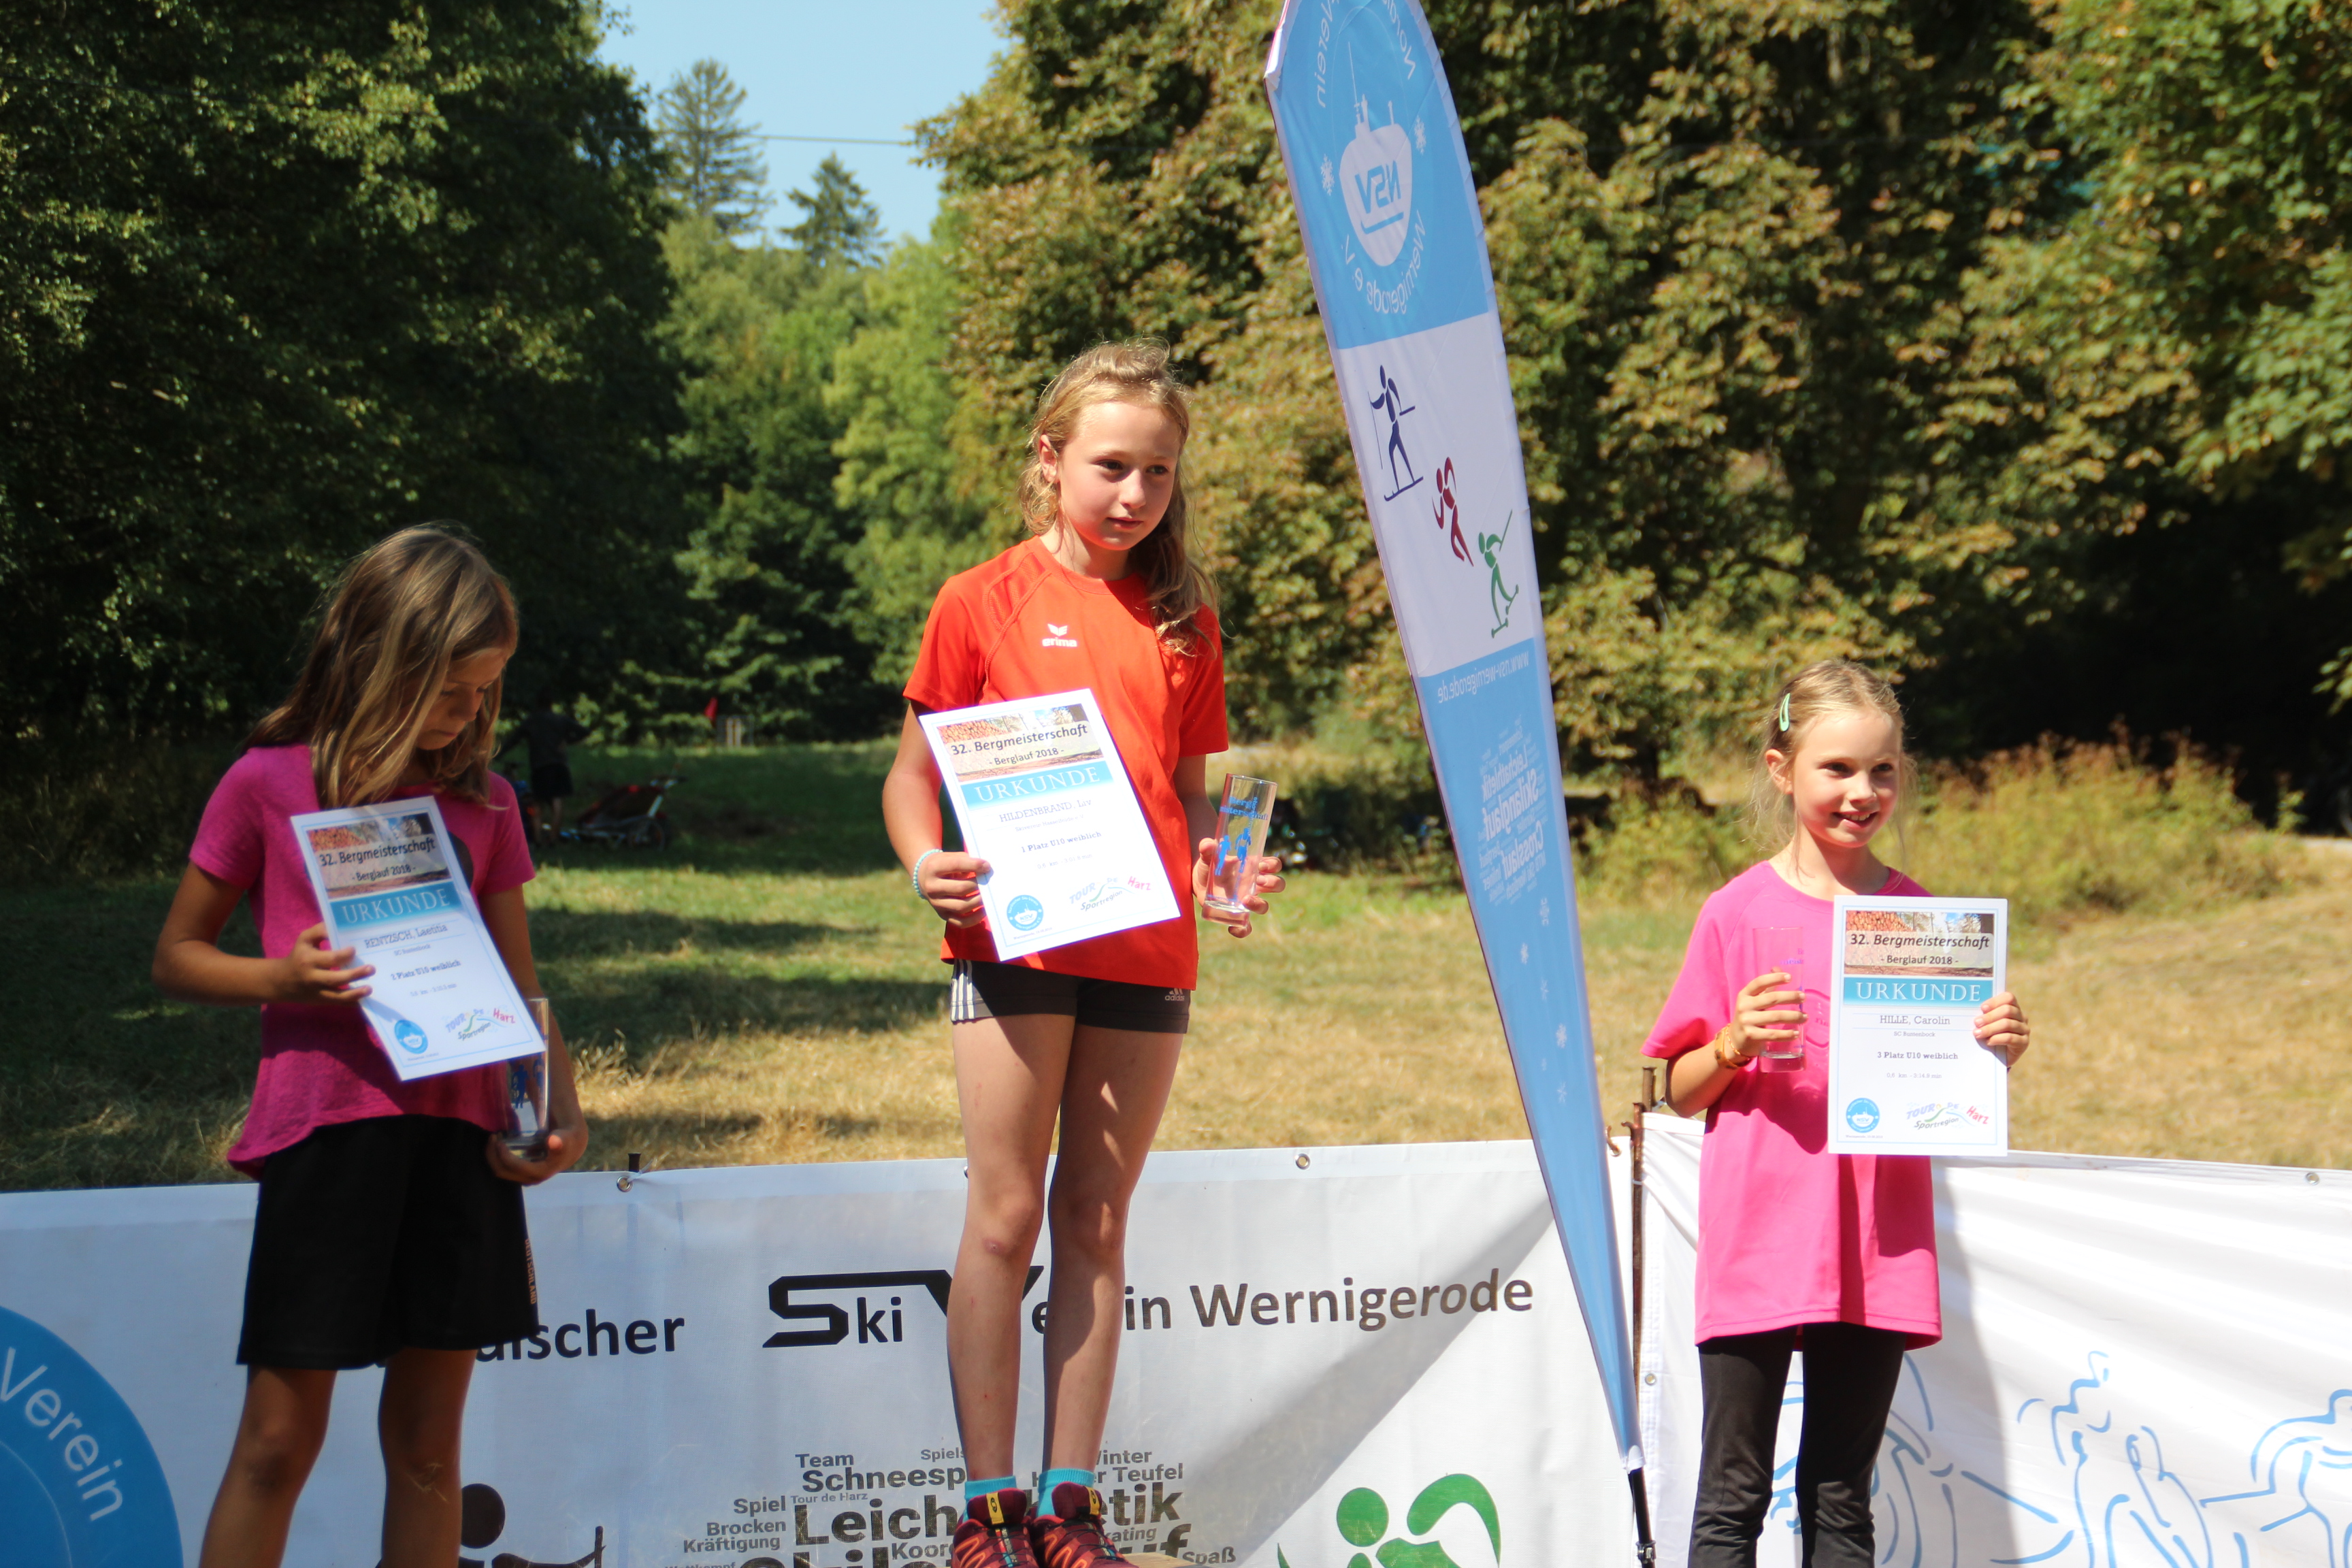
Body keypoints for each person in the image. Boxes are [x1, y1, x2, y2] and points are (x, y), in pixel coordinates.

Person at [880, 342, 1283, 1568]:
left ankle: (1071, 1507)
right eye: (1111, 466)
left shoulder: (1186, 619)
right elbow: (910, 779)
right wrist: (923, 861)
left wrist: (1223, 871)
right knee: (1006, 1217)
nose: (1135, 494)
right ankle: (987, 1510)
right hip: (1013, 940)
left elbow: (1194, 796)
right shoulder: (977, 600)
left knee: (1096, 1220)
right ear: (1050, 461)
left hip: (1147, 951)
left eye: (1158, 471)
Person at [152, 526, 587, 1568]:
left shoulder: (486, 802)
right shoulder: (265, 782)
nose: (471, 713)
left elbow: (519, 978)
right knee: (276, 1443)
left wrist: (559, 1108)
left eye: (486, 691)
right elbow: (176, 956)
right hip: (329, 1136)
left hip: (462, 1141)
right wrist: (281, 979)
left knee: (431, 1451)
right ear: (380, 659)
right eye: (453, 689)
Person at [1643, 660, 2032, 1568]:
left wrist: (1993, 1047)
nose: (1863, 792)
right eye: (1838, 769)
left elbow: (1948, 1087)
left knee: (1840, 1497)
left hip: (1875, 1245)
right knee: (1731, 1496)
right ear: (1781, 771)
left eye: (1883, 770)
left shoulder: (1926, 921)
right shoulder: (1735, 912)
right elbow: (1674, 1088)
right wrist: (1732, 1043)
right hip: (1759, 1238)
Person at [501, 692, 588, 843]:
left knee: (537, 801)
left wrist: (498, 754)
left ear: (537, 703)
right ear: (551, 703)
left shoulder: (532, 721)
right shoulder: (561, 720)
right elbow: (584, 731)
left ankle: (538, 837)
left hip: (540, 766)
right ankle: (554, 837)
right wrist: (567, 741)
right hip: (559, 764)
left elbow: (514, 740)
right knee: (557, 801)